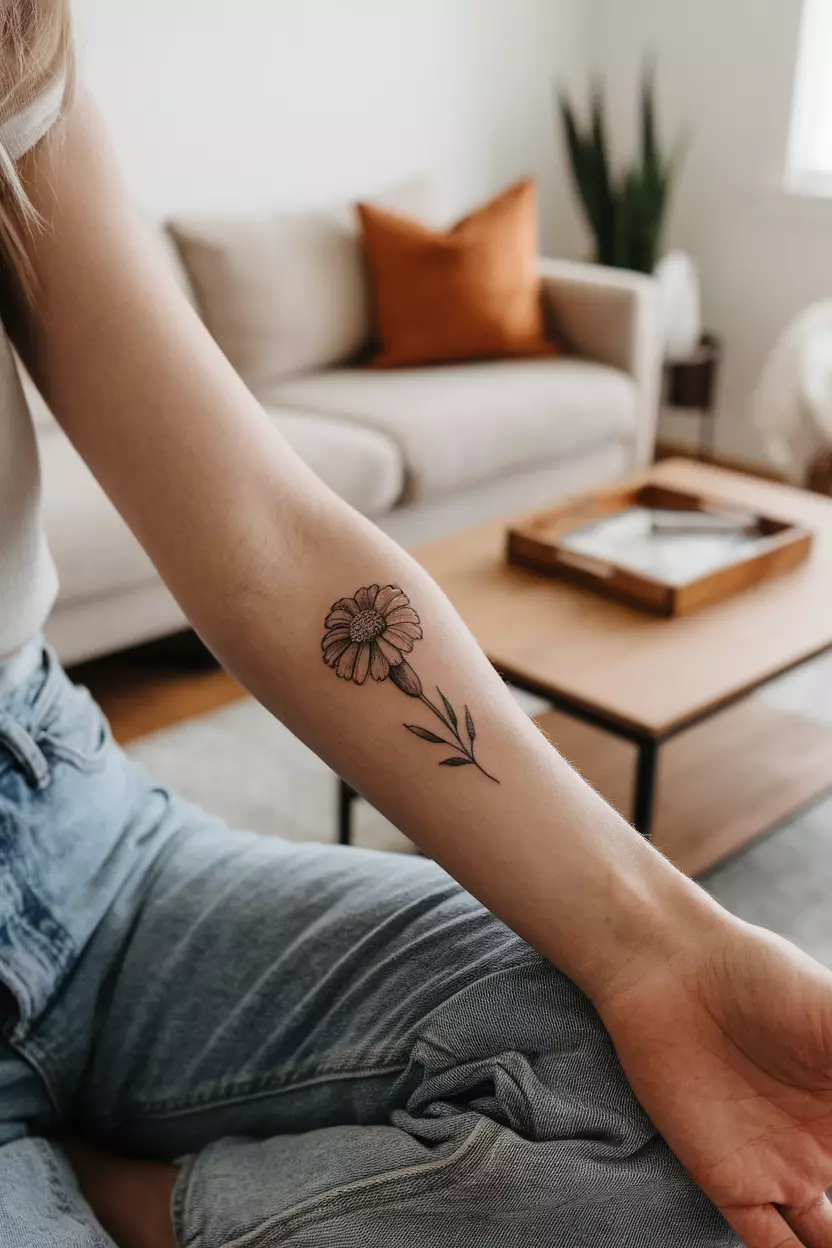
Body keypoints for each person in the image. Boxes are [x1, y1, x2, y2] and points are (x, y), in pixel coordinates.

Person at [0, 5, 830, 1247]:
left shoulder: (14, 44)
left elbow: (266, 544)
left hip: (79, 836)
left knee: (680, 1121)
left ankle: (133, 1195)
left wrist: (668, 948)